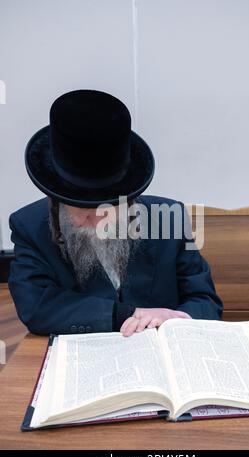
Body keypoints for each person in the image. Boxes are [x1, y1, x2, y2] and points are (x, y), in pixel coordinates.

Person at [8, 90, 223, 337]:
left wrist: (176, 318)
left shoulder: (170, 217)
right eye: (82, 210)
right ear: (57, 199)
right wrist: (125, 315)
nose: (99, 220)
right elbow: (37, 307)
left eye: (109, 207)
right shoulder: (29, 226)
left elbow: (206, 302)